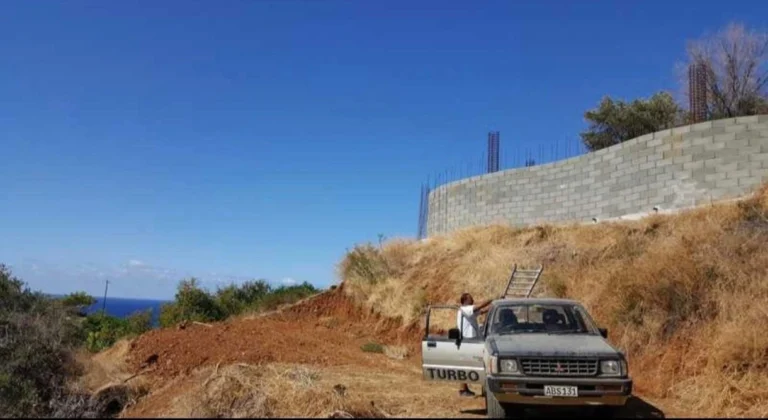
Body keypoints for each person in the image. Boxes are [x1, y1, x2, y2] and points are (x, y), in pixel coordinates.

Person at [456, 292, 493, 397]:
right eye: (470, 299)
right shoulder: (464, 309)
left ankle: (465, 388)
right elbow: (479, 307)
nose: (473, 301)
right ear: (465, 301)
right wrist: (491, 299)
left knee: (469, 364)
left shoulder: (470, 311)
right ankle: (463, 389)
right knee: (466, 364)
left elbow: (482, 311)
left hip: (470, 340)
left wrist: (494, 305)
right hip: (467, 340)